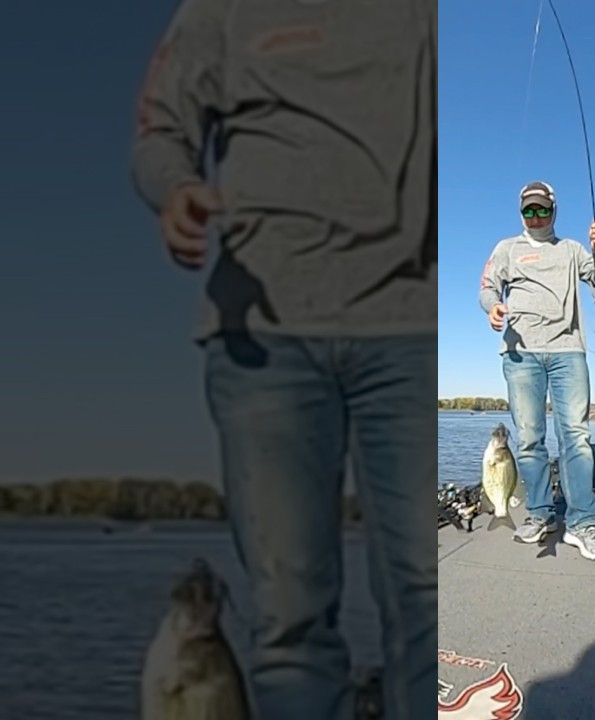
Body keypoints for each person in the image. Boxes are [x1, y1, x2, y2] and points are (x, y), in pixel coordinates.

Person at [129, 2, 437, 719]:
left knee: (427, 596)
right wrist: (175, 188)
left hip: (415, 332)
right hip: (264, 336)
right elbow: (159, 130)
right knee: (287, 617)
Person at [479, 181, 595, 560]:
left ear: (554, 210)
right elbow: (488, 287)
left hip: (568, 353)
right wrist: (492, 306)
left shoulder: (572, 250)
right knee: (527, 439)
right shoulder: (507, 249)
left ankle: (582, 523)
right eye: (529, 211)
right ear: (521, 212)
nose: (536, 217)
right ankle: (539, 514)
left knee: (575, 436)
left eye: (542, 210)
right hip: (520, 355)